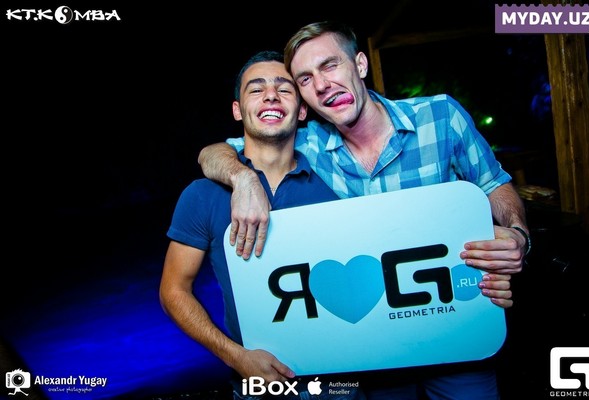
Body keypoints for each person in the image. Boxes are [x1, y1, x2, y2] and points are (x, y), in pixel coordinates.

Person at [196, 21, 526, 399]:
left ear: (361, 64)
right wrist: (243, 178)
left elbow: (494, 185)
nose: (322, 85)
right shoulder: (308, 143)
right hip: (379, 348)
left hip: (457, 333)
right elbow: (214, 152)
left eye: (330, 65)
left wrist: (517, 234)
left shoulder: (440, 116)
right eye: (305, 79)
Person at [159, 50, 370, 400]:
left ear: (302, 110)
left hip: (341, 386)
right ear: (237, 109)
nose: (271, 95)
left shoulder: (339, 184)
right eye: (256, 89)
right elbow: (173, 291)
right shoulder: (203, 194)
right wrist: (236, 356)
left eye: (284, 89)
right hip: (256, 389)